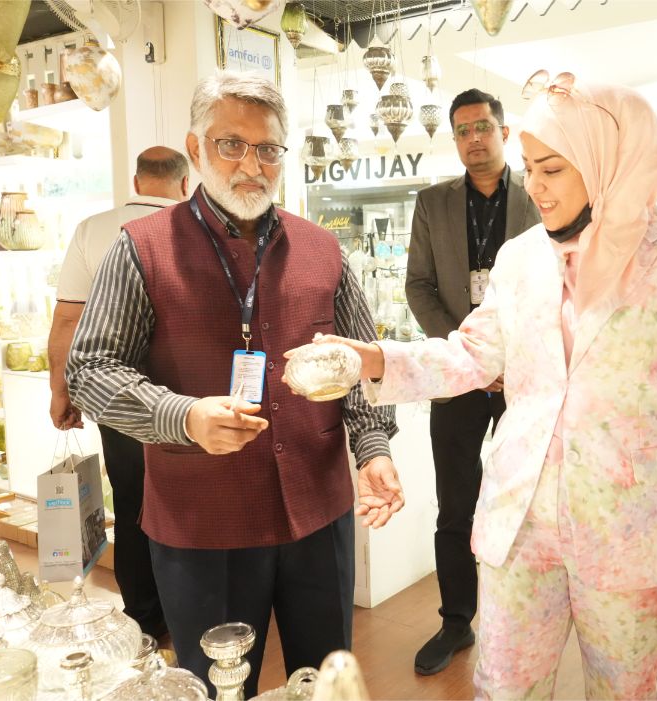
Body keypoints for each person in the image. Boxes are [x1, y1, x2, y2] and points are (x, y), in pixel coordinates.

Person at [296, 72, 657, 699]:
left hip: (631, 531)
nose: (534, 186)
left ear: (605, 161)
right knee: (504, 687)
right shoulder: (522, 257)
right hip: (520, 523)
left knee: (622, 692)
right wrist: (374, 359)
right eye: (530, 168)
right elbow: (470, 353)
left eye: (553, 169)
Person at [66, 71, 405, 696]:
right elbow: (90, 369)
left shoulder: (323, 249)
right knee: (217, 686)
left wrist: (374, 448)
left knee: (325, 681)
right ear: (196, 149)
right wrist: (183, 417)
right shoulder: (141, 248)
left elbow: (358, 365)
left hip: (318, 515)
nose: (252, 165)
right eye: (231, 145)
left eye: (268, 148)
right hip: (202, 523)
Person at [404, 88, 539, 676]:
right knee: (455, 506)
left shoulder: (539, 192)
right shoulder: (432, 203)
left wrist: (512, 356)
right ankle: (456, 622)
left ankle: (529, 617)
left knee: (529, 501)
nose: (473, 138)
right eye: (462, 130)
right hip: (459, 377)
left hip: (524, 378)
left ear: (504, 133)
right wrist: (467, 351)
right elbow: (418, 285)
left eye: (483, 127)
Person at [49, 145, 189, 640]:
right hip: (189, 395)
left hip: (117, 393)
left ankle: (145, 619)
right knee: (191, 504)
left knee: (132, 502)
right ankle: (193, 614)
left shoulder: (92, 229)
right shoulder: (198, 227)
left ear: (136, 181)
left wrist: (61, 391)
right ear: (185, 183)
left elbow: (68, 320)